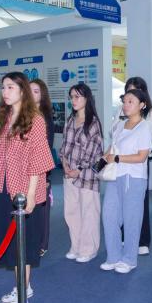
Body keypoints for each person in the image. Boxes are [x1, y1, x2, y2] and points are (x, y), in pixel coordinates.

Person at [0, 72, 54, 303]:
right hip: (2, 187)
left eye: (10, 87)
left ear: (21, 90)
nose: (5, 92)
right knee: (11, 244)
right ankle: (23, 288)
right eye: (3, 87)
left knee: (23, 245)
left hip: (23, 191)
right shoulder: (5, 117)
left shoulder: (35, 120)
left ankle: (21, 300)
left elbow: (39, 160)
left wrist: (30, 195)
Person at [100, 89, 152, 273]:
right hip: (115, 176)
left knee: (131, 219)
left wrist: (117, 158)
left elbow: (141, 156)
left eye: (131, 101)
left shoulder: (144, 127)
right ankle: (113, 256)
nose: (126, 104)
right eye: (125, 101)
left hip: (134, 178)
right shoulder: (120, 125)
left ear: (142, 105)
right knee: (109, 216)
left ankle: (130, 259)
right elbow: (111, 148)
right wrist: (100, 163)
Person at [112, 77, 152, 256]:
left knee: (139, 203)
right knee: (121, 203)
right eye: (128, 91)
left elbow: (150, 137)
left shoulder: (149, 112)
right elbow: (113, 131)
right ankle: (126, 237)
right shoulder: (121, 110)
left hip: (138, 161)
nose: (128, 101)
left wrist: (133, 126)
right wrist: (123, 121)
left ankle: (142, 240)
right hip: (120, 162)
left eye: (135, 91)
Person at [60, 84, 104, 263]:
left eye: (77, 96)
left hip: (87, 176)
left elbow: (95, 152)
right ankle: (76, 246)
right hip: (68, 173)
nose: (74, 100)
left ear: (87, 98)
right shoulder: (70, 120)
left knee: (89, 212)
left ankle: (89, 249)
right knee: (71, 212)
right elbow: (65, 146)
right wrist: (64, 164)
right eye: (71, 97)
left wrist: (78, 169)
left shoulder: (93, 123)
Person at [29, 78, 55, 257]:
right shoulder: (21, 115)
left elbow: (47, 149)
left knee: (41, 209)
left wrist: (45, 175)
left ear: (42, 95)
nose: (31, 94)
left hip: (41, 171)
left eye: (36, 91)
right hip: (24, 172)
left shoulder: (45, 118)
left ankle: (41, 244)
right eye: (29, 90)